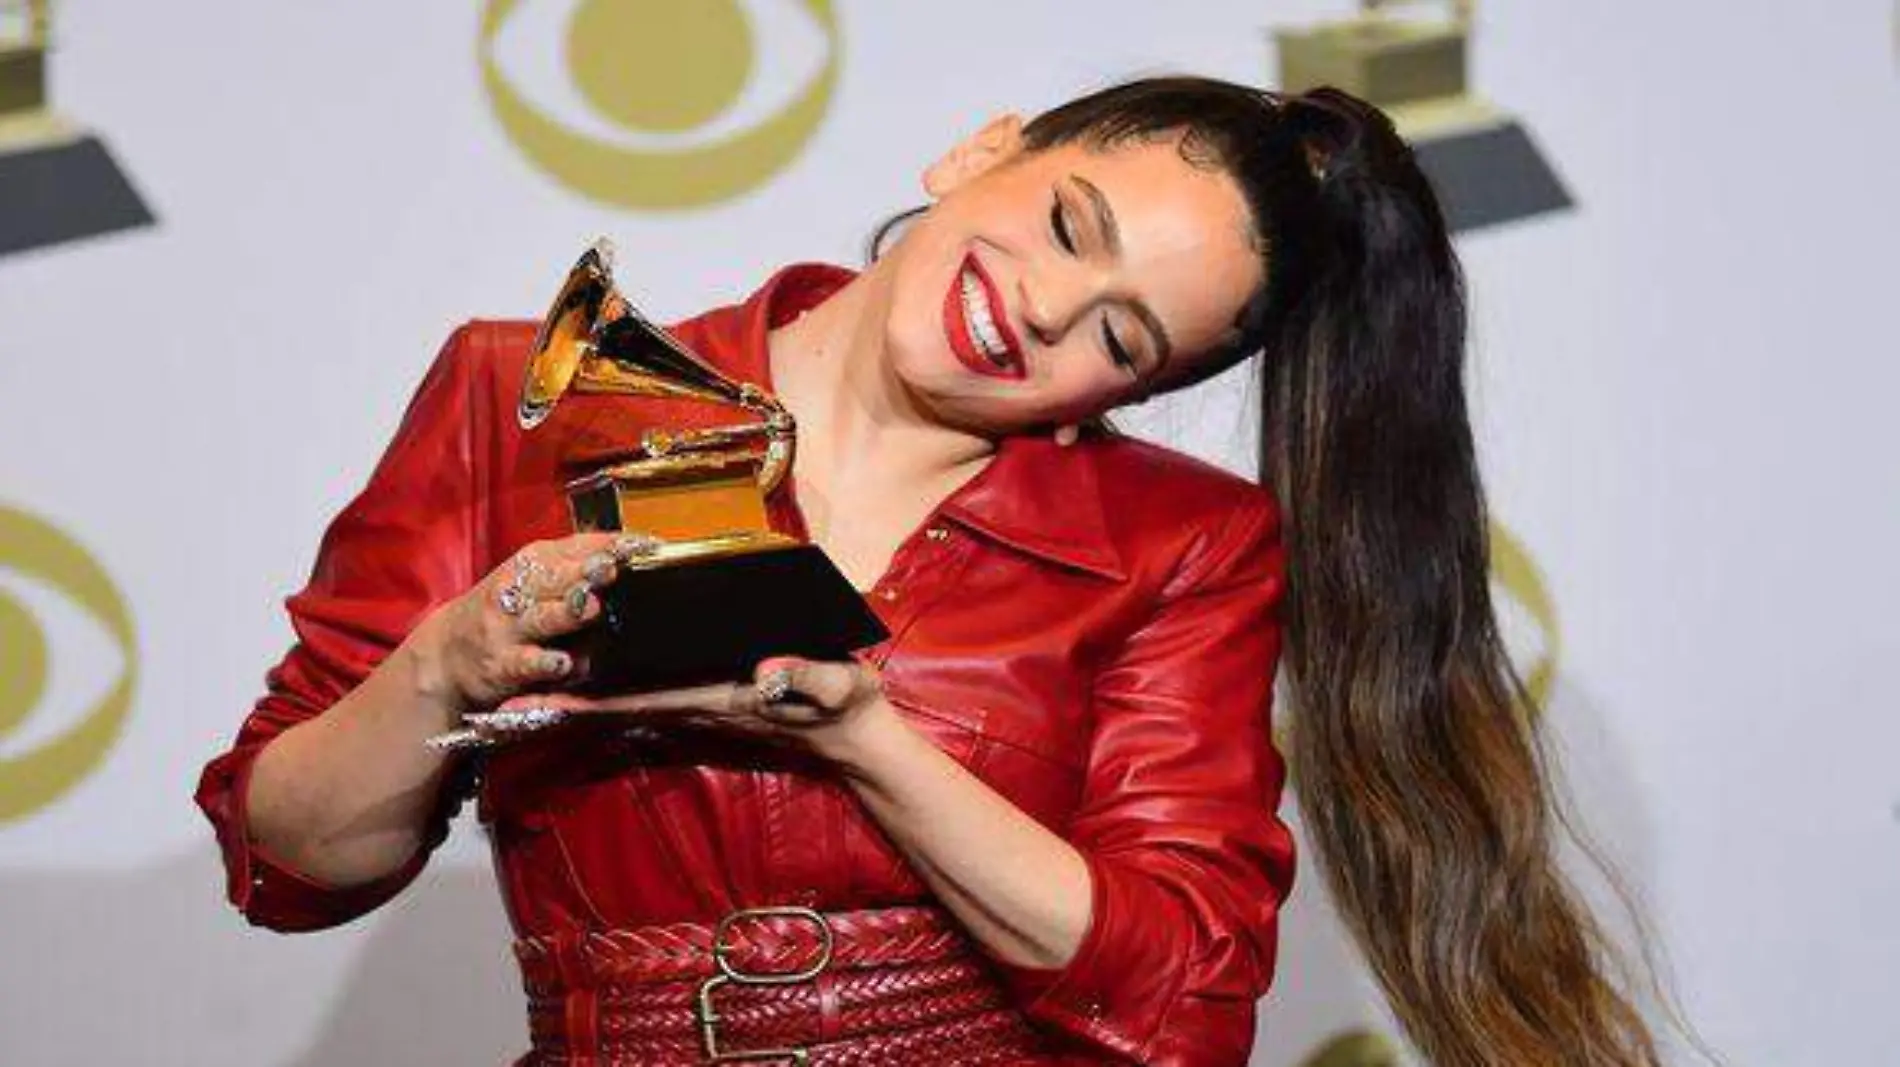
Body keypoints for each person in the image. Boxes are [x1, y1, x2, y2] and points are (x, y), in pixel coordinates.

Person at [196, 77, 1664, 1065]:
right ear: (985, 151)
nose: (1039, 310)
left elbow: (1181, 1000)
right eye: (1068, 227)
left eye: (1119, 334)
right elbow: (286, 858)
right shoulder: (519, 392)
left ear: (1136, 391)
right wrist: (442, 671)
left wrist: (866, 739)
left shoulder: (1181, 545)